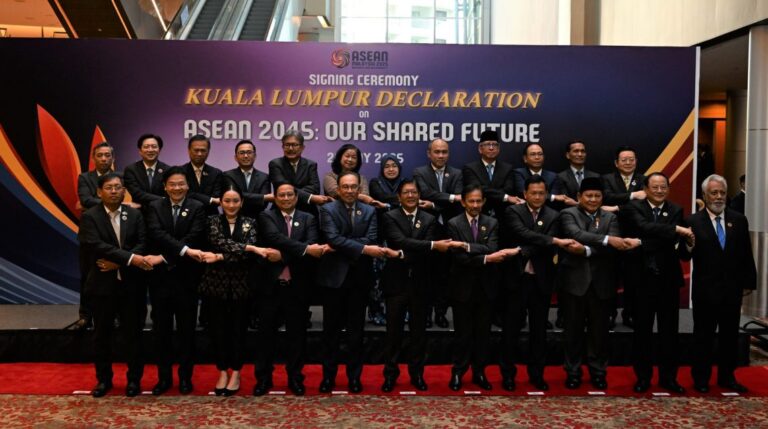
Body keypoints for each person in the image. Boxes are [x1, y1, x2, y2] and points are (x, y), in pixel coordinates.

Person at [316, 172, 397, 393]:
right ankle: (328, 378)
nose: (350, 190)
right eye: (346, 187)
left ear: (359, 190)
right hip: (334, 279)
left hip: (359, 279)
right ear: (338, 189)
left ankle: (354, 377)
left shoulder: (369, 211)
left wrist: (346, 245)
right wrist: (361, 248)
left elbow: (371, 239)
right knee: (330, 333)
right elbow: (332, 238)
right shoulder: (327, 209)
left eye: (353, 187)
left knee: (356, 334)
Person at [558, 177, 639, 390]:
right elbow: (575, 234)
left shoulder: (610, 217)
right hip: (574, 282)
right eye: (589, 196)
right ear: (579, 196)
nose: (593, 200)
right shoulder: (568, 214)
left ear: (603, 198)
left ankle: (598, 372)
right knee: (572, 332)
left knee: (600, 332)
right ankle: (573, 372)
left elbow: (615, 246)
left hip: (602, 282)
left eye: (597, 196)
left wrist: (586, 249)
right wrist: (604, 240)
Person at [78, 172, 152, 397]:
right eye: (109, 187)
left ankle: (134, 381)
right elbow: (94, 244)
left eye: (118, 187)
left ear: (124, 191)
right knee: (102, 336)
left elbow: (143, 243)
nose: (113, 191)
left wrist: (120, 263)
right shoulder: (90, 216)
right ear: (99, 192)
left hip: (132, 287)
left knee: (134, 336)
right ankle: (104, 380)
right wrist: (129, 259)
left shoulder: (135, 215)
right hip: (102, 286)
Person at [198, 182, 275, 396]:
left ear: (241, 203)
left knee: (239, 330)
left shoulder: (251, 222)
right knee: (218, 330)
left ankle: (236, 372)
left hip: (243, 285)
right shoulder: (212, 221)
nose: (231, 205)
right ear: (221, 203)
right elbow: (219, 241)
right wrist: (250, 248)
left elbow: (245, 256)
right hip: (215, 285)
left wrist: (220, 257)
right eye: (227, 201)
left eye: (235, 201)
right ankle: (222, 371)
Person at [619, 172, 693, 394]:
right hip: (641, 279)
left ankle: (668, 378)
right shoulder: (634, 208)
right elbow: (643, 226)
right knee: (642, 331)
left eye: (664, 187)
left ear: (668, 189)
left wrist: (643, 242)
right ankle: (643, 377)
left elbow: (666, 241)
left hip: (668, 279)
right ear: (645, 189)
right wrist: (674, 230)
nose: (660, 191)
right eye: (655, 187)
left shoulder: (676, 209)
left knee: (669, 332)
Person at [500, 175, 574, 391]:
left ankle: (537, 374)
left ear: (546, 194)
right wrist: (550, 241)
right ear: (525, 194)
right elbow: (521, 233)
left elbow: (543, 245)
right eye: (533, 193)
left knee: (539, 331)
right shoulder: (513, 211)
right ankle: (508, 375)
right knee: (510, 330)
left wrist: (523, 249)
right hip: (516, 279)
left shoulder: (554, 215)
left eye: (541, 193)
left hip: (541, 280)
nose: (537, 197)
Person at [683, 174, 757, 393]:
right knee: (703, 336)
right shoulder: (692, 221)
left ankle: (727, 377)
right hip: (705, 290)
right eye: (713, 193)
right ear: (704, 195)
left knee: (729, 336)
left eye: (722, 192)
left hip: (732, 290)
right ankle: (701, 378)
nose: (718, 197)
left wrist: (749, 282)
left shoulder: (739, 219)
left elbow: (746, 253)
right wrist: (688, 245)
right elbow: (684, 256)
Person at [379, 179, 453, 392]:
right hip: (396, 283)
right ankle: (390, 375)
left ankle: (417, 374)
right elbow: (399, 241)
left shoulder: (429, 219)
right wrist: (430, 245)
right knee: (393, 334)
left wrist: (405, 253)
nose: (410, 196)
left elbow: (423, 251)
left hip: (421, 283)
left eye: (414, 192)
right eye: (406, 192)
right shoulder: (389, 217)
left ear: (419, 195)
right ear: (399, 196)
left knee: (419, 334)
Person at [255, 183, 327, 396]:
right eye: (281, 195)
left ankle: (295, 378)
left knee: (297, 337)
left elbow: (313, 245)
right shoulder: (266, 217)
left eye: (289, 195)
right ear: (275, 198)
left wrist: (284, 255)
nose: (286, 198)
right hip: (270, 287)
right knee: (265, 337)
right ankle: (263, 379)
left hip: (297, 287)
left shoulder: (309, 218)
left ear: (296, 197)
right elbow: (274, 238)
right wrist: (304, 249)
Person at [447, 185, 516, 391]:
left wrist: (467, 246)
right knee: (462, 334)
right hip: (462, 287)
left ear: (484, 202)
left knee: (483, 334)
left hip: (486, 287)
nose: (475, 205)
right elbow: (459, 258)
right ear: (463, 202)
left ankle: (479, 372)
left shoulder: (492, 222)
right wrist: (485, 257)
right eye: (471, 201)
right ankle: (458, 372)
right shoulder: (453, 223)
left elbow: (492, 248)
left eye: (479, 201)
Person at [145, 166, 207, 395]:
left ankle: (185, 378)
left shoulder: (197, 207)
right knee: (161, 332)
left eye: (181, 184)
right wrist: (182, 251)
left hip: (186, 280)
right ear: (165, 187)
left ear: (188, 185)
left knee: (186, 332)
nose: (177, 188)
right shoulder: (155, 206)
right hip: (160, 281)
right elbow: (156, 234)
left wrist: (164, 257)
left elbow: (195, 237)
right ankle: (164, 379)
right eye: (172, 184)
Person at [413, 138, 463, 329]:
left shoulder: (457, 173)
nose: (441, 155)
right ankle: (425, 314)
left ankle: (440, 313)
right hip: (426, 230)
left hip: (449, 229)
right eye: (437, 152)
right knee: (425, 274)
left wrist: (434, 205)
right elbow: (425, 193)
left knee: (445, 275)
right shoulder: (419, 172)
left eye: (444, 152)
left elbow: (460, 200)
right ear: (429, 153)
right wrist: (450, 198)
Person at [601, 145, 646, 328]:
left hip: (635, 234)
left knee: (633, 279)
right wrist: (633, 195)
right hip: (611, 233)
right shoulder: (606, 179)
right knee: (610, 277)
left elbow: (644, 204)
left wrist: (616, 207)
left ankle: (630, 314)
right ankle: (610, 314)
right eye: (624, 160)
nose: (628, 162)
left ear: (636, 161)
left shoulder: (644, 180)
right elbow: (606, 198)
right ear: (616, 163)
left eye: (631, 159)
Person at [73, 142, 116, 331]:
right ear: (93, 158)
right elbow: (85, 200)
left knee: (114, 277)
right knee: (87, 276)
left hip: (114, 234)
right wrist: (112, 201)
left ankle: (113, 315)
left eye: (107, 155)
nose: (104, 159)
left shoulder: (120, 177)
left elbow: (90, 202)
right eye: (100, 155)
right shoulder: (85, 177)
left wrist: (94, 202)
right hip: (89, 234)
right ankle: (85, 316)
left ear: (113, 158)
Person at [368, 154, 405, 326]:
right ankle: (377, 313)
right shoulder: (375, 182)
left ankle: (399, 314)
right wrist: (398, 202)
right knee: (378, 279)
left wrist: (387, 205)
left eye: (394, 166)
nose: (391, 169)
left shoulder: (406, 183)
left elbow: (407, 199)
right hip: (379, 237)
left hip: (400, 237)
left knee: (398, 277)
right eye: (387, 166)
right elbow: (380, 196)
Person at [268, 130, 331, 214]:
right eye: (287, 145)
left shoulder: (311, 165)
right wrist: (310, 197)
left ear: (302, 147)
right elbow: (282, 188)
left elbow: (315, 189)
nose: (290, 148)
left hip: (307, 210)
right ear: (282, 147)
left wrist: (292, 191)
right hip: (282, 210)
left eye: (294, 145)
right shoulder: (275, 164)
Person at [461, 130, 522, 217]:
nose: (491, 148)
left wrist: (489, 193)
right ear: (480, 149)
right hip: (479, 214)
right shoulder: (470, 168)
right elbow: (478, 189)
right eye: (487, 144)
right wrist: (505, 197)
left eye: (494, 145)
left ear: (498, 148)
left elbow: (508, 190)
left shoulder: (508, 168)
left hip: (502, 215)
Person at [323, 144, 386, 208]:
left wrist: (364, 197)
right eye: (347, 156)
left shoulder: (361, 178)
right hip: (335, 211)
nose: (350, 159)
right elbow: (336, 194)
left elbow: (365, 195)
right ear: (340, 157)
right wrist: (362, 197)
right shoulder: (330, 176)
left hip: (358, 211)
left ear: (357, 161)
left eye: (354, 157)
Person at [224, 140, 273, 218]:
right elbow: (232, 198)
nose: (246, 156)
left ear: (255, 156)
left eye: (249, 152)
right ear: (235, 157)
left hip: (257, 221)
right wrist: (262, 197)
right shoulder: (227, 175)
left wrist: (243, 198)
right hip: (233, 219)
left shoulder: (264, 177)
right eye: (242, 153)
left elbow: (263, 204)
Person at [123, 134, 170, 210]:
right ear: (140, 151)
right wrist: (163, 199)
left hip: (162, 211)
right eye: (146, 147)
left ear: (159, 150)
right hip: (139, 212)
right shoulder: (131, 170)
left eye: (154, 146)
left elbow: (170, 192)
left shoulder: (168, 170)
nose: (150, 150)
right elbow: (136, 194)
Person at [183, 134, 223, 216]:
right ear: (189, 150)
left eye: (203, 150)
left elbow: (217, 199)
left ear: (208, 152)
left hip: (210, 217)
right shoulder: (180, 172)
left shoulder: (216, 173)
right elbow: (183, 195)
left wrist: (193, 195)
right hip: (186, 217)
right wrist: (209, 200)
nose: (199, 154)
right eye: (196, 150)